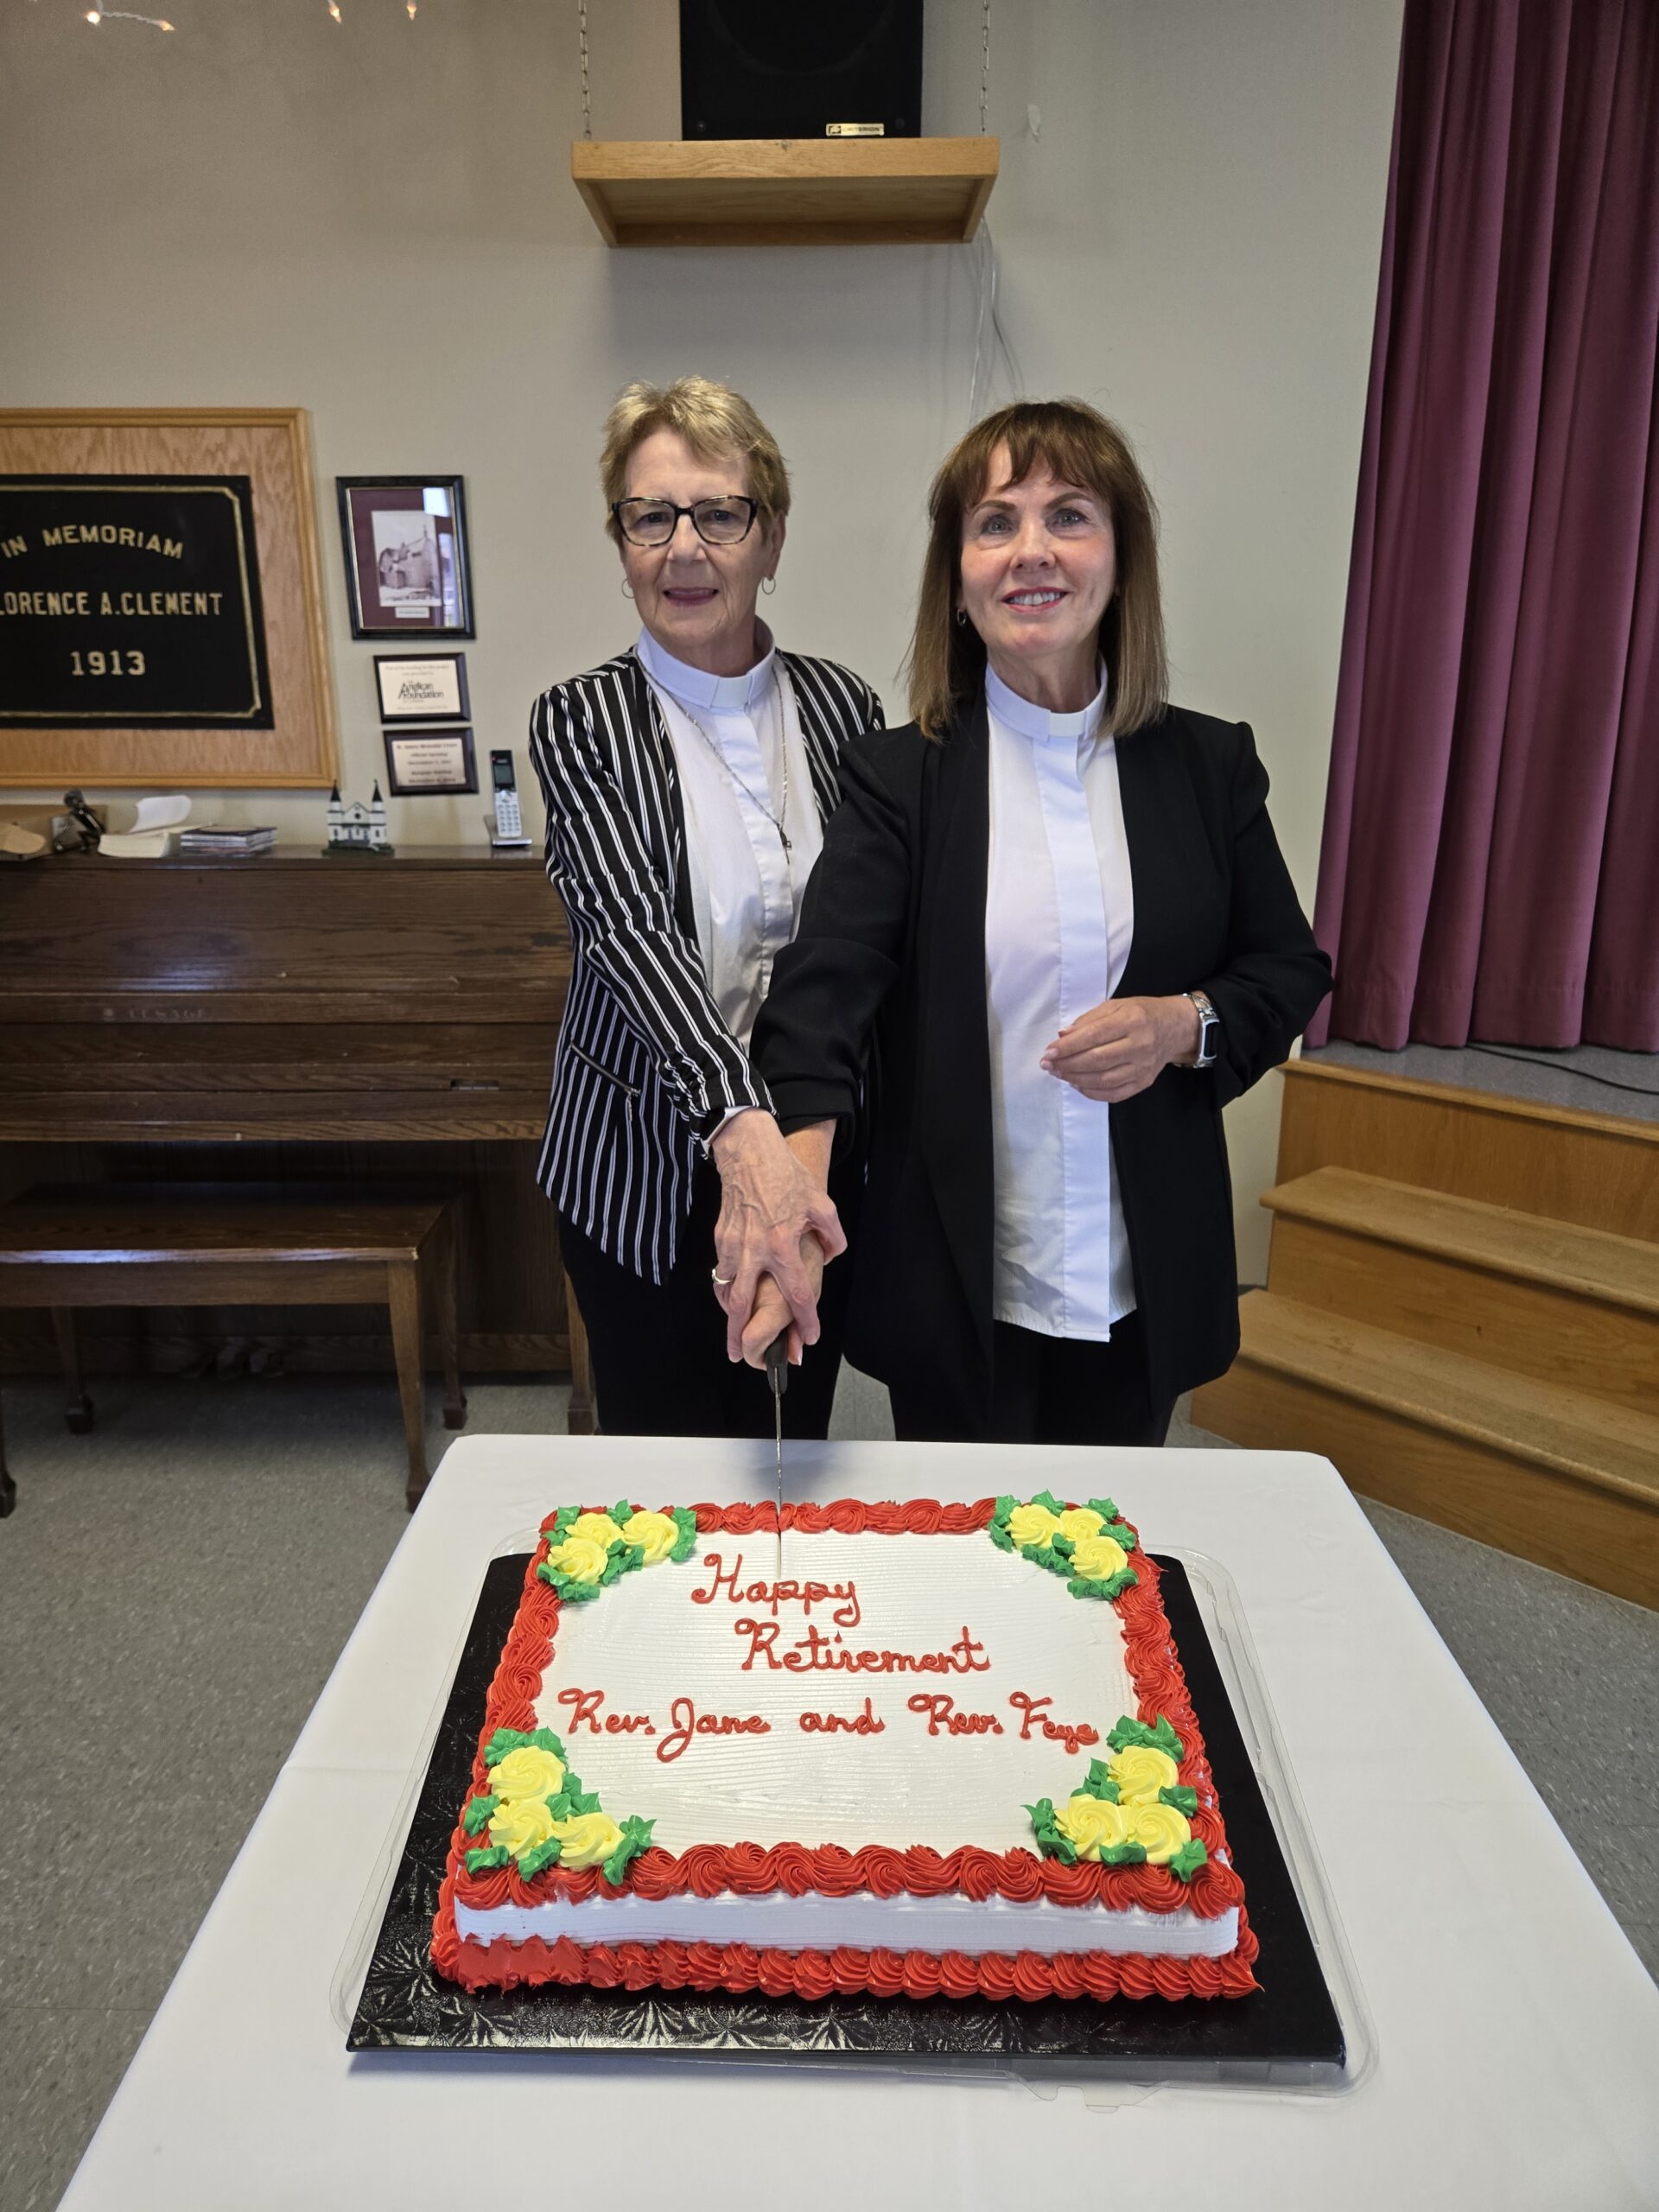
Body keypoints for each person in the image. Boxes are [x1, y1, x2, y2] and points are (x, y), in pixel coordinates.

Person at [721, 397, 1331, 1443]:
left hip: (1141, 1279)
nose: (1030, 550)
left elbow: (1285, 970)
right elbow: (825, 994)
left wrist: (1183, 1024)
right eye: (995, 522)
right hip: (958, 1279)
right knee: (962, 1572)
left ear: (1121, 561)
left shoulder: (1209, 764)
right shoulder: (897, 778)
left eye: (1070, 516)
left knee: (1103, 1569)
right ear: (957, 581)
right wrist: (795, 1189)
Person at [531, 376, 883, 1437]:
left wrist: (797, 1154)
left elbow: (862, 939)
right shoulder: (580, 717)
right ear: (622, 541)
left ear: (770, 539)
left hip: (817, 1150)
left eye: (720, 514)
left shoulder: (844, 703)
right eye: (651, 516)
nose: (684, 548)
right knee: (662, 1464)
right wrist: (745, 1139)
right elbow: (628, 933)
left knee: (792, 1437)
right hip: (644, 1161)